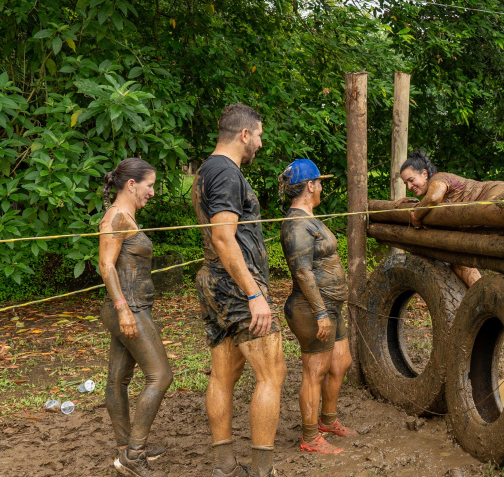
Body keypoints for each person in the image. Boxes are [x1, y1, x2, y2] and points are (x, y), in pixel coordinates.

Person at [192, 103, 286, 477]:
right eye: (259, 134)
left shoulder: (206, 171)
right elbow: (223, 237)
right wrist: (254, 294)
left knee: (223, 375)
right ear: (244, 134)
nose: (261, 143)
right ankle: (262, 471)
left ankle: (224, 467)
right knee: (272, 372)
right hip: (234, 285)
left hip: (213, 282)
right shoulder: (226, 172)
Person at [98, 158, 173, 477]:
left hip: (130, 307)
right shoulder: (117, 217)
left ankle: (124, 446)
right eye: (149, 185)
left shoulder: (125, 216)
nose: (152, 192)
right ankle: (134, 453)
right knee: (161, 376)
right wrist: (124, 309)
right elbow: (106, 265)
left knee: (118, 380)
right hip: (128, 308)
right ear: (131, 185)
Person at [278, 159, 356, 455]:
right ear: (309, 186)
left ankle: (328, 420)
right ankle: (310, 437)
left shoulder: (310, 218)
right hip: (311, 309)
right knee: (316, 370)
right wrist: (321, 313)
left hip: (331, 306)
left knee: (341, 362)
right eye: (319, 182)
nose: (322, 187)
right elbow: (302, 272)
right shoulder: (296, 223)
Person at [398, 150, 504, 286]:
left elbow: (433, 197)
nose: (409, 186)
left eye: (411, 180)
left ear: (424, 174)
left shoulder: (438, 179)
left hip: (494, 192)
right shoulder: (430, 188)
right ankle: (480, 292)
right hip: (475, 220)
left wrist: (416, 216)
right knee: (458, 262)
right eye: (405, 183)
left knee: (492, 207)